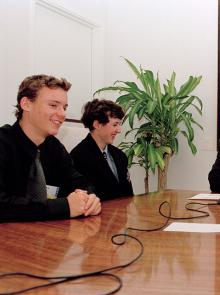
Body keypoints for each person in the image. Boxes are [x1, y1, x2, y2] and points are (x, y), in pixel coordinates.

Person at [0, 74, 101, 222]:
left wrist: (90, 198)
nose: (62, 114)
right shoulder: (3, 143)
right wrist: (64, 207)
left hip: (48, 238)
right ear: (26, 104)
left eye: (64, 107)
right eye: (53, 105)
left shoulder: (53, 146)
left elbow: (78, 181)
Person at [71, 99, 133, 200]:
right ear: (97, 124)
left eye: (119, 124)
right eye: (115, 124)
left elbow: (129, 195)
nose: (119, 130)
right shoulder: (78, 157)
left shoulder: (120, 156)